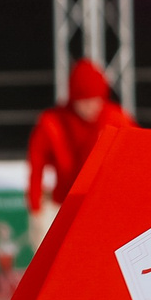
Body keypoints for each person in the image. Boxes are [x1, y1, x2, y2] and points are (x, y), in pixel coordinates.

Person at [24, 57, 133, 249]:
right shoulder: (51, 122)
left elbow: (136, 157)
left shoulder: (116, 119)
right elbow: (36, 166)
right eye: (85, 100)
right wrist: (35, 210)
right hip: (63, 205)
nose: (92, 106)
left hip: (103, 207)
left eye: (96, 99)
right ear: (74, 98)